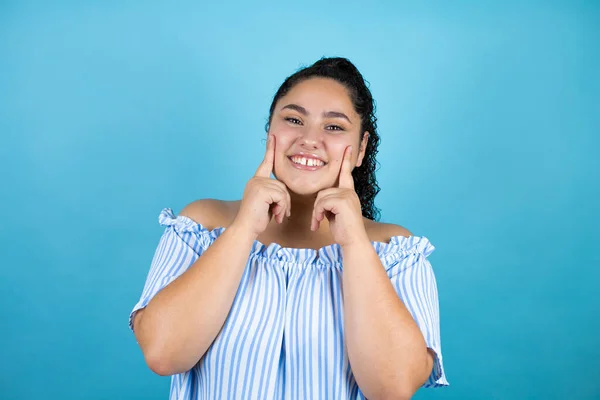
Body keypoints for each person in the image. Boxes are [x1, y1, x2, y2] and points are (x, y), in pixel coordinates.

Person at [129, 57, 449, 399]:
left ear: (360, 149)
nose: (309, 140)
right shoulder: (201, 226)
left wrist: (355, 243)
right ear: (270, 131)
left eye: (334, 126)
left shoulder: (396, 252)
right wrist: (242, 230)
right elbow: (162, 353)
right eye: (294, 120)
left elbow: (393, 386)